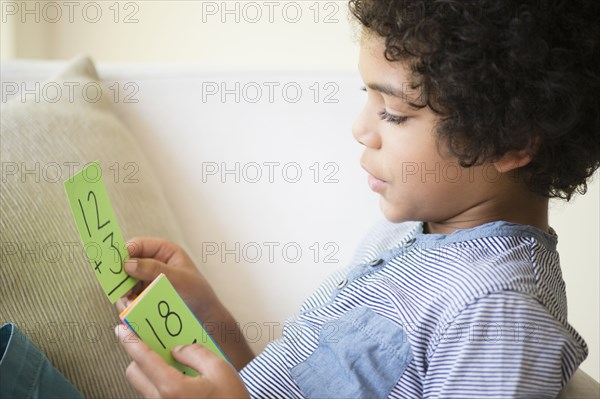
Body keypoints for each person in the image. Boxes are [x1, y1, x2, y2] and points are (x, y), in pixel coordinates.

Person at [115, 0, 600, 397]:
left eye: (393, 112)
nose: (360, 128)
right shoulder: (404, 235)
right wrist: (208, 316)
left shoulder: (497, 316)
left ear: (511, 140)